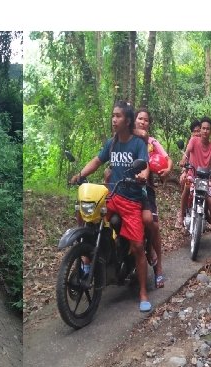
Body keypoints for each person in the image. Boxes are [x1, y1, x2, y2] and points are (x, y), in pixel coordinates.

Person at [69, 101, 153, 312]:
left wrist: (142, 176)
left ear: (127, 120)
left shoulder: (137, 144)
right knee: (86, 214)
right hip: (112, 196)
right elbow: (97, 161)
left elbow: (145, 166)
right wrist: (80, 175)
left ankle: (143, 291)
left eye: (118, 116)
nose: (114, 119)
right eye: (113, 115)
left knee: (138, 247)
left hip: (131, 200)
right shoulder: (111, 143)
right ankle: (87, 257)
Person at [178, 117, 211, 252]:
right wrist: (183, 160)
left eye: (208, 129)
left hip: (205, 178)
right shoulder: (193, 141)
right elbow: (187, 152)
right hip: (193, 175)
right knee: (187, 186)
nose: (205, 131)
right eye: (203, 128)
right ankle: (181, 215)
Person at [134, 108, 169, 289]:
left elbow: (166, 159)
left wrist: (167, 169)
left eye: (146, 120)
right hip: (124, 188)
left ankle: (158, 268)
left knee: (153, 225)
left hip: (145, 188)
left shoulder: (151, 142)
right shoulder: (126, 139)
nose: (143, 122)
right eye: (140, 118)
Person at [175, 119, 203, 229]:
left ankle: (206, 213)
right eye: (195, 131)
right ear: (192, 133)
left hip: (202, 176)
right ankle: (181, 213)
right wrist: (184, 171)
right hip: (191, 173)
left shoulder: (206, 143)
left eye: (199, 130)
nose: (197, 133)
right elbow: (186, 157)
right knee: (185, 184)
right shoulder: (191, 142)